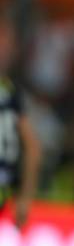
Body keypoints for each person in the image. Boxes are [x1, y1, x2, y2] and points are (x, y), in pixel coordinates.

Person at [0, 15, 41, 229]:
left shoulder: (11, 91)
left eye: (8, 43)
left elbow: (33, 147)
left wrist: (25, 197)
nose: (5, 48)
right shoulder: (9, 91)